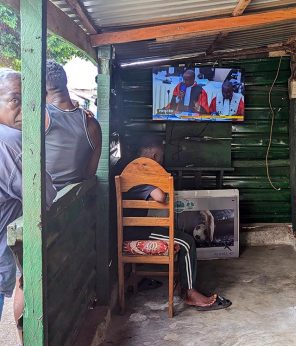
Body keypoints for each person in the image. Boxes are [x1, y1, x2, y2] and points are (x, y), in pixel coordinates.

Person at [123, 137, 231, 310]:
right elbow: (160, 197)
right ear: (154, 156)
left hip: (135, 229)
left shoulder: (129, 170)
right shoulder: (141, 174)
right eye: (161, 158)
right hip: (138, 232)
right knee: (187, 242)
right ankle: (190, 293)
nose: (162, 161)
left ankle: (184, 285)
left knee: (179, 235)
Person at [0, 68, 57, 346]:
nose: (24, 109)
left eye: (29, 100)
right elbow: (44, 196)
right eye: (14, 100)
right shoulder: (10, 143)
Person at [45, 60, 102, 190]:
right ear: (65, 83)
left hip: (41, 203)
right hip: (75, 200)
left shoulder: (40, 117)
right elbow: (90, 174)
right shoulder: (92, 123)